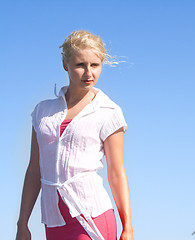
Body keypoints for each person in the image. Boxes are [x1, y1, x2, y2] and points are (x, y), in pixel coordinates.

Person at [15, 30, 134, 240]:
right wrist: (22, 223)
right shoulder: (42, 112)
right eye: (80, 65)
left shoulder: (109, 112)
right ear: (65, 64)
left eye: (95, 65)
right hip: (53, 219)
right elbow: (34, 170)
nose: (89, 73)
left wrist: (128, 228)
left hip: (92, 214)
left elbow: (116, 173)